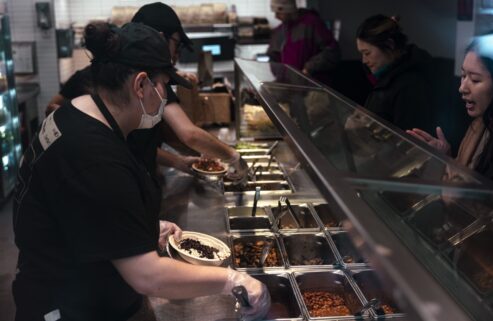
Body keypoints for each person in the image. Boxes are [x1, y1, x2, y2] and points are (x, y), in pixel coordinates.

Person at [12, 22, 270, 321]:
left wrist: (141, 227)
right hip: (67, 306)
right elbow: (148, 277)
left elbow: (84, 209)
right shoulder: (95, 156)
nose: (165, 96)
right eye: (164, 85)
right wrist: (234, 280)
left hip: (64, 285)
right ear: (141, 84)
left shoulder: (75, 113)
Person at [46, 2, 248, 181]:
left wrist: (178, 162)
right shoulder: (144, 88)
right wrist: (233, 156)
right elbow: (189, 135)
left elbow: (135, 147)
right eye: (176, 45)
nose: (176, 55)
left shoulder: (100, 76)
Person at [407, 34, 493, 184]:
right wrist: (444, 157)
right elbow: (462, 176)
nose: (462, 88)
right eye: (463, 75)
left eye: (475, 79)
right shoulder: (479, 123)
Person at [356, 15, 434, 133]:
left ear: (390, 45)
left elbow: (408, 142)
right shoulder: (386, 77)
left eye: (367, 53)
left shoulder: (410, 86)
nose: (364, 61)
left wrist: (361, 128)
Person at [267, 0, 340, 81]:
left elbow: (332, 51)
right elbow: (274, 57)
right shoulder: (279, 30)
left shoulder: (312, 24)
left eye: (279, 12)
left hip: (313, 84)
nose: (276, 17)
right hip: (290, 85)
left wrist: (310, 67)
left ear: (289, 9)